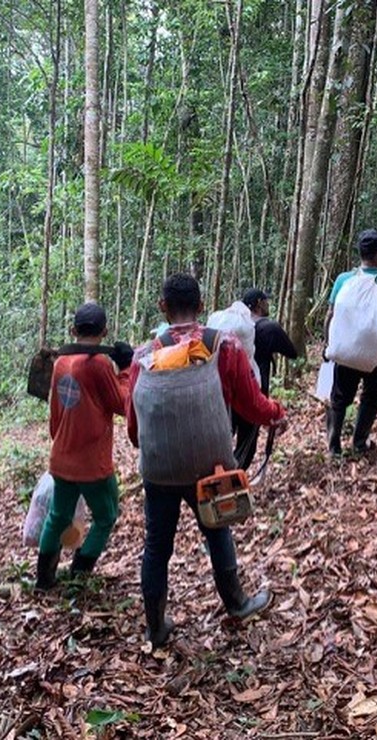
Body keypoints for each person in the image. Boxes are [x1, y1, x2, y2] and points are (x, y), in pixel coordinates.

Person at [126, 273, 287, 648]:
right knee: (217, 530)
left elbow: (135, 426)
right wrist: (277, 412)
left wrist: (150, 447)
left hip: (160, 469)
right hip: (210, 465)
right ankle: (237, 603)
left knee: (157, 545)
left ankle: (155, 626)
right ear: (201, 307)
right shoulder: (223, 347)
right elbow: (251, 404)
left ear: (162, 307)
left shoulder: (143, 357)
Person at [36, 302, 133, 592]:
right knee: (106, 516)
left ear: (73, 330)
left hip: (63, 458)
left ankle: (44, 580)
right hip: (92, 464)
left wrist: (61, 443)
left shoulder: (61, 362)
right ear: (104, 332)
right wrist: (127, 368)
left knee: (58, 516)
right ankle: (79, 574)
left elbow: (55, 414)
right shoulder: (99, 364)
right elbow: (122, 403)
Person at [323, 228, 377, 455]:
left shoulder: (343, 280)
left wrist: (327, 343)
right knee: (370, 398)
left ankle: (334, 447)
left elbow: (331, 315)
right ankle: (359, 443)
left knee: (339, 398)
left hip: (345, 352)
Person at [233, 288, 298, 469]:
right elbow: (292, 352)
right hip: (254, 391)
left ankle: (220, 484)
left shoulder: (235, 328)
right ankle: (229, 486)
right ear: (260, 303)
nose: (268, 304)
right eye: (266, 301)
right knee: (246, 446)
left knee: (223, 443)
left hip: (228, 391)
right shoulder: (269, 328)